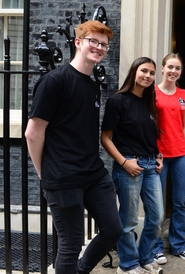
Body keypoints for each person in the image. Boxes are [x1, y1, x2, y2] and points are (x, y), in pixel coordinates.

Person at [25, 20, 123, 274]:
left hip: (94, 174)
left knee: (113, 230)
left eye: (104, 45)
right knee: (70, 245)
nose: (99, 48)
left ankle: (80, 271)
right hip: (64, 176)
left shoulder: (92, 85)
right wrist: (42, 171)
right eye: (94, 41)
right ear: (78, 42)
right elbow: (33, 133)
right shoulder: (54, 81)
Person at [101, 57, 164, 274]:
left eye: (152, 73)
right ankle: (128, 265)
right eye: (144, 71)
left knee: (156, 218)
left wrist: (159, 155)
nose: (148, 76)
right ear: (134, 72)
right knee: (128, 220)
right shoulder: (118, 101)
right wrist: (124, 162)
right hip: (129, 165)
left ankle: (145, 257)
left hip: (150, 164)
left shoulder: (149, 102)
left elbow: (149, 135)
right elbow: (106, 138)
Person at [152, 53, 185, 264]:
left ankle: (178, 245)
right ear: (162, 68)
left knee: (179, 203)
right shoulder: (151, 93)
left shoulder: (184, 95)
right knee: (157, 205)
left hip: (179, 155)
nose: (173, 71)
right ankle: (155, 247)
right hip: (159, 155)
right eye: (170, 67)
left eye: (177, 68)